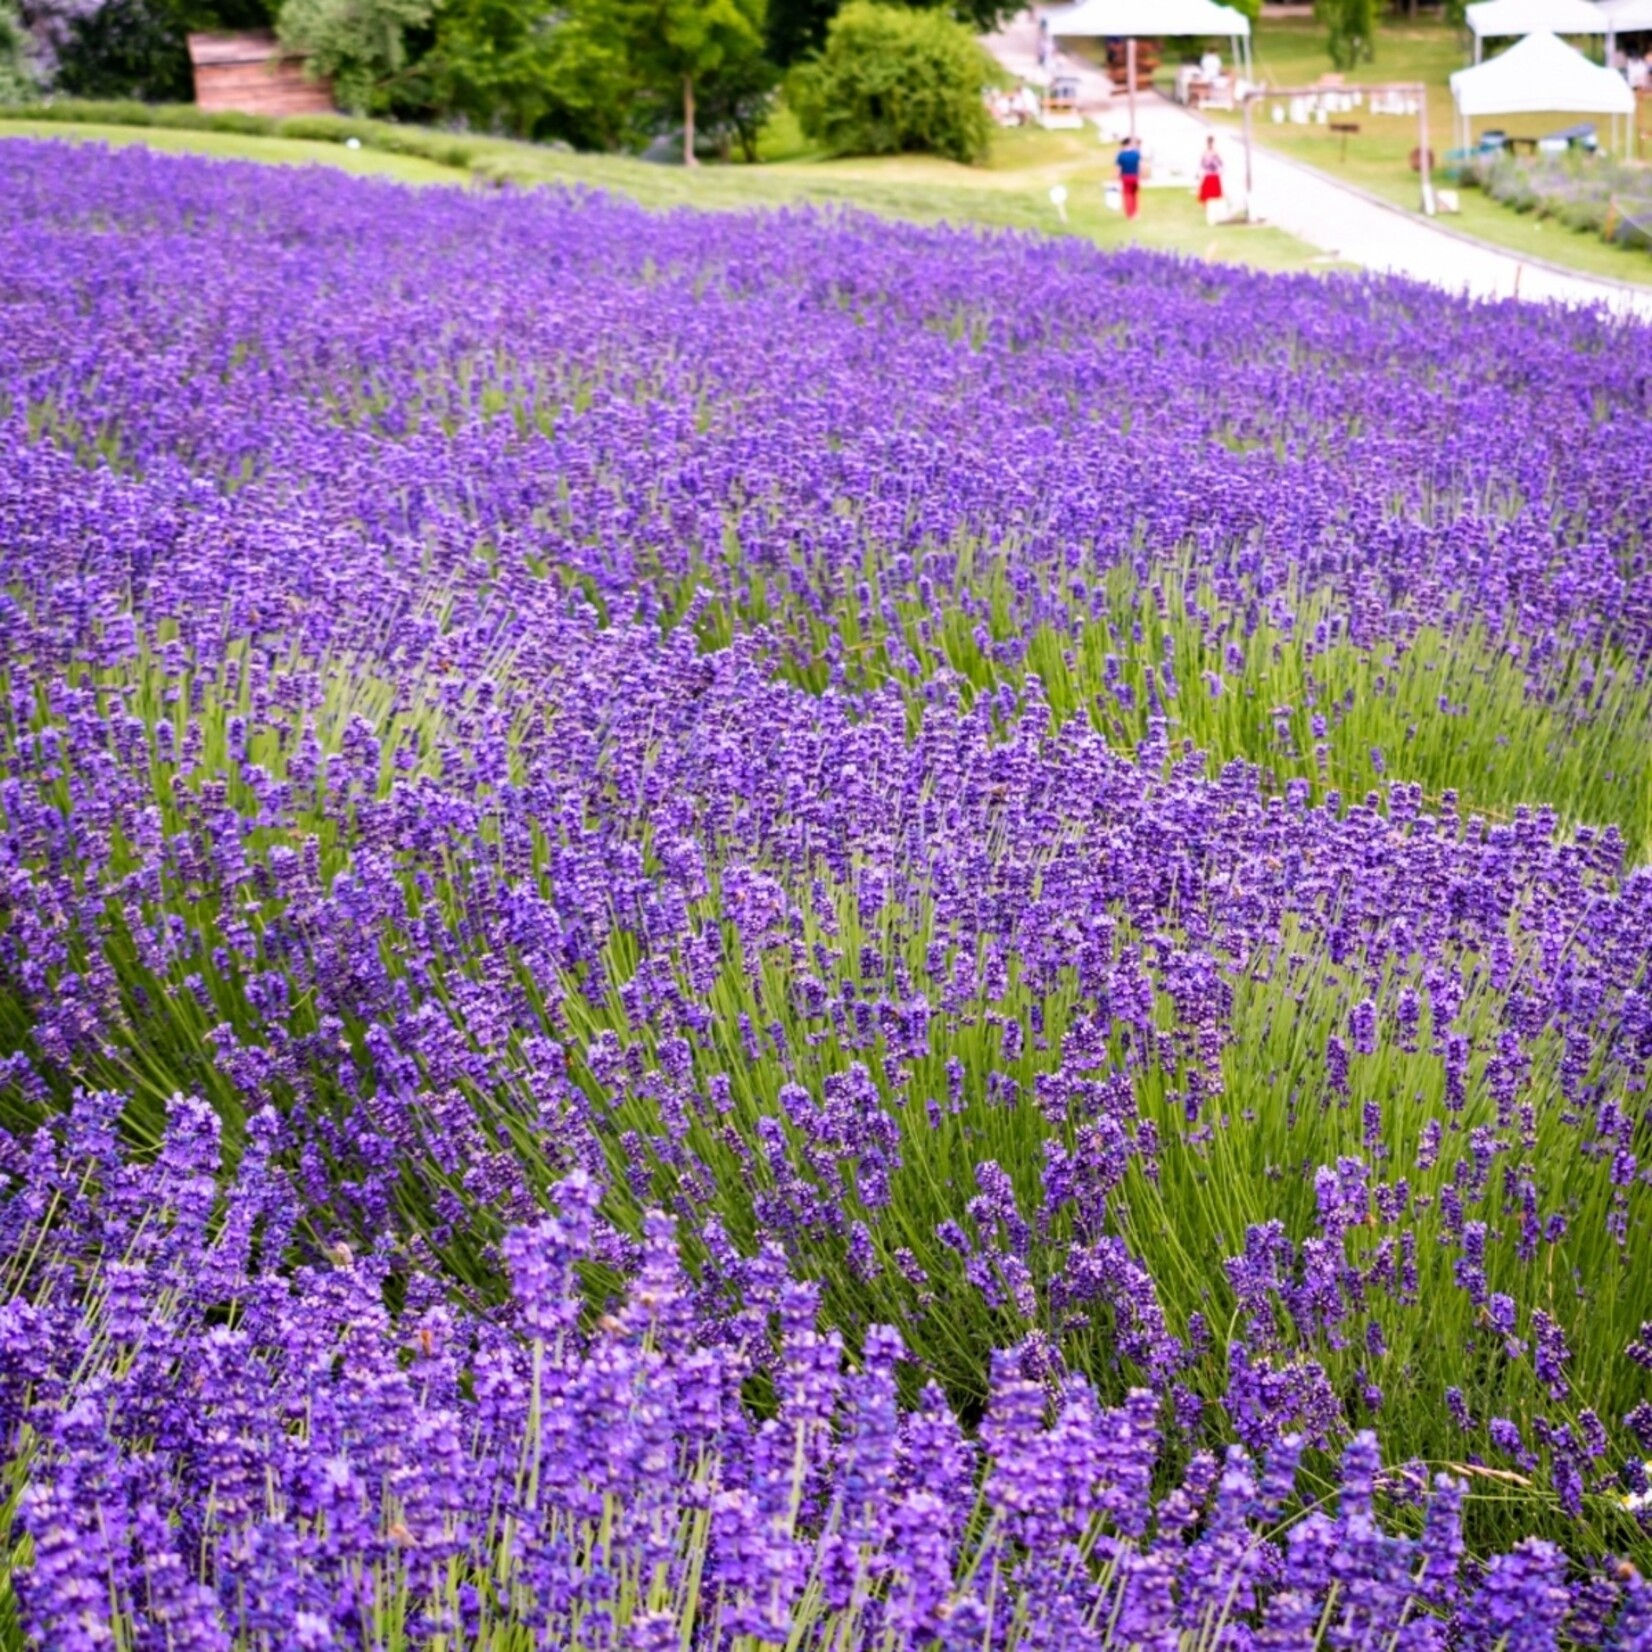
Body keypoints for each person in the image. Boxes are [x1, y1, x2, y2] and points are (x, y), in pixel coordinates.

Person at [1197, 134, 1225, 224]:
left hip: (1213, 175)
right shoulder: (1207, 153)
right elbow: (1202, 164)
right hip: (1209, 175)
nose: (1210, 144)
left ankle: (1215, 212)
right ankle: (1209, 211)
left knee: (1214, 196)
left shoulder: (1214, 153)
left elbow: (1220, 164)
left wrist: (1219, 170)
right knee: (1207, 195)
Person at [1116, 135, 1143, 218]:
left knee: (1128, 195)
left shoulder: (1121, 155)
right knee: (1134, 195)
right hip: (1135, 176)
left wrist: (1116, 177)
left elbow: (1118, 168)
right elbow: (1140, 165)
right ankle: (1136, 212)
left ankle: (1130, 213)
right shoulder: (1136, 154)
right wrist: (1142, 175)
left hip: (1125, 176)